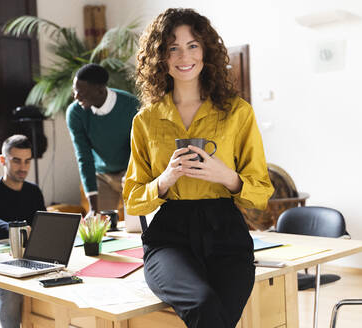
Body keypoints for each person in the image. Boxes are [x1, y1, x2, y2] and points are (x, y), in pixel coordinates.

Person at [123, 8, 274, 328]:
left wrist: (228, 178)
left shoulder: (237, 113)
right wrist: (164, 179)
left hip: (227, 233)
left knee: (217, 315)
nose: (183, 56)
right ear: (160, 57)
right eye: (172, 48)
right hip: (170, 237)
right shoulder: (146, 120)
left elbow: (261, 193)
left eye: (192, 45)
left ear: (206, 50)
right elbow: (134, 199)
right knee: (203, 303)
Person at [0, 134, 45, 328]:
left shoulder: (33, 192)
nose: (23, 167)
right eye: (16, 161)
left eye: (27, 161)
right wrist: (18, 230)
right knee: (13, 288)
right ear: (3, 160)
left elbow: (43, 225)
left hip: (27, 262)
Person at [66, 63, 139, 216]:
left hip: (131, 172)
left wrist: (131, 174)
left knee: (137, 225)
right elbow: (83, 157)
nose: (76, 97)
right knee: (101, 225)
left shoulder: (132, 106)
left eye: (81, 92)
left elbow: (140, 147)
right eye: (75, 91)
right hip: (102, 176)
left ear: (100, 89)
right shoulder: (75, 113)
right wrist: (93, 208)